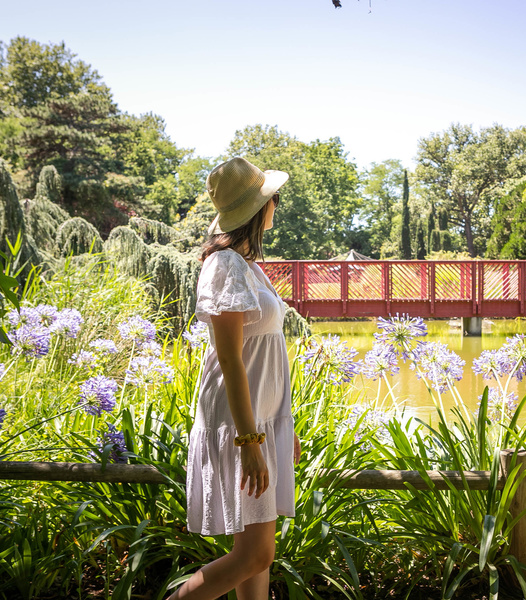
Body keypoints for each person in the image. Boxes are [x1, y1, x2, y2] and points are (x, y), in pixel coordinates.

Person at [169, 157, 300, 600]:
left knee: (255, 554)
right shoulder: (224, 265)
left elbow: (266, 354)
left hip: (260, 420)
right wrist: (249, 442)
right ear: (260, 210)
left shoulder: (247, 265)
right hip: (239, 423)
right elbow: (229, 359)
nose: (276, 206)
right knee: (255, 556)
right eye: (272, 199)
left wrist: (283, 424)